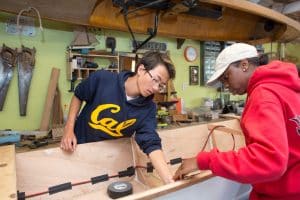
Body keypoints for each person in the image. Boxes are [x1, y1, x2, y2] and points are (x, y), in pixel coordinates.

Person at [174, 43, 300, 199]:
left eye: (227, 77)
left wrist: (204, 160)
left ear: (244, 65)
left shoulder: (263, 95)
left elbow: (269, 159)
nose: (226, 86)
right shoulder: (284, 87)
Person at [61, 51, 176, 184]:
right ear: (141, 69)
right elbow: (79, 95)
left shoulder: (148, 109)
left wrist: (169, 182)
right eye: (155, 80)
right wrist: (68, 129)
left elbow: (151, 142)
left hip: (110, 159)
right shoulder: (102, 79)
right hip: (79, 148)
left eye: (161, 85)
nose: (156, 88)